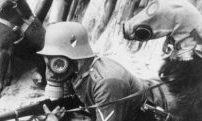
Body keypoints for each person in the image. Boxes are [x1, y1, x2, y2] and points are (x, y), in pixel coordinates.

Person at [36, 21, 165, 121]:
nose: (50, 73)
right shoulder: (78, 70)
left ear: (74, 57)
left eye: (58, 64)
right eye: (48, 62)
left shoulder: (106, 83)